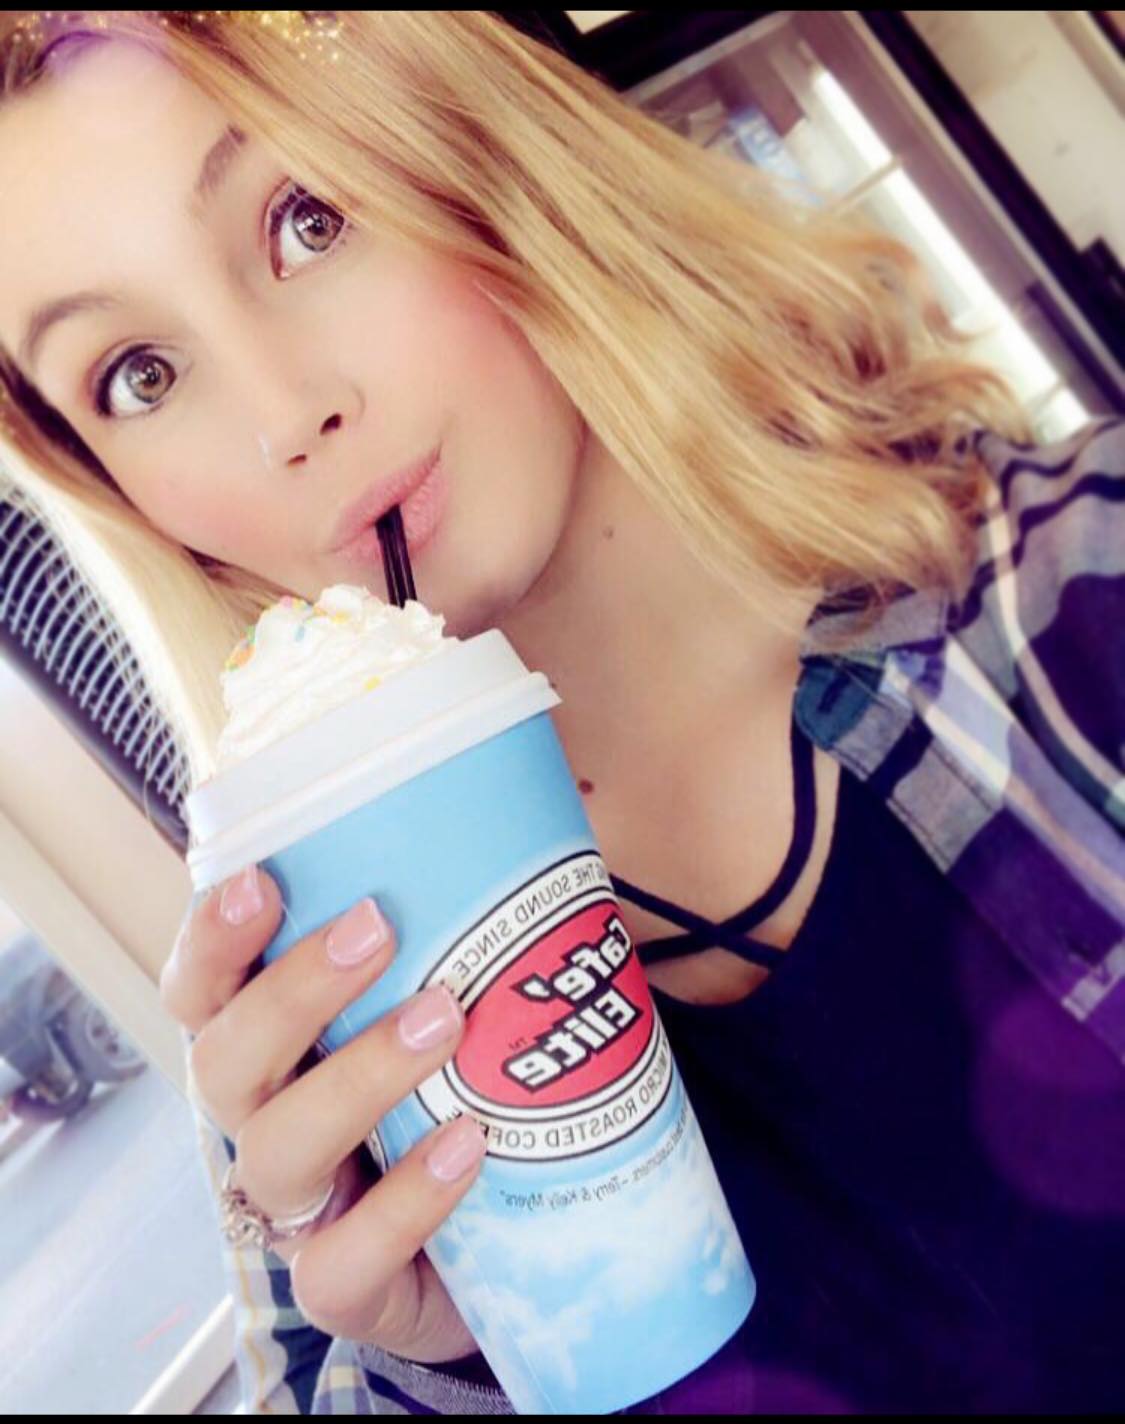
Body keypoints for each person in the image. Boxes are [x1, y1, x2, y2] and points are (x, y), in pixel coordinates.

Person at [0, 10, 1121, 1415]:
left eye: (307, 219)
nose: (285, 416)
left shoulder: (1082, 595)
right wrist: (460, 1356)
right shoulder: (316, 1060)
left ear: (482, 141)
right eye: (140, 376)